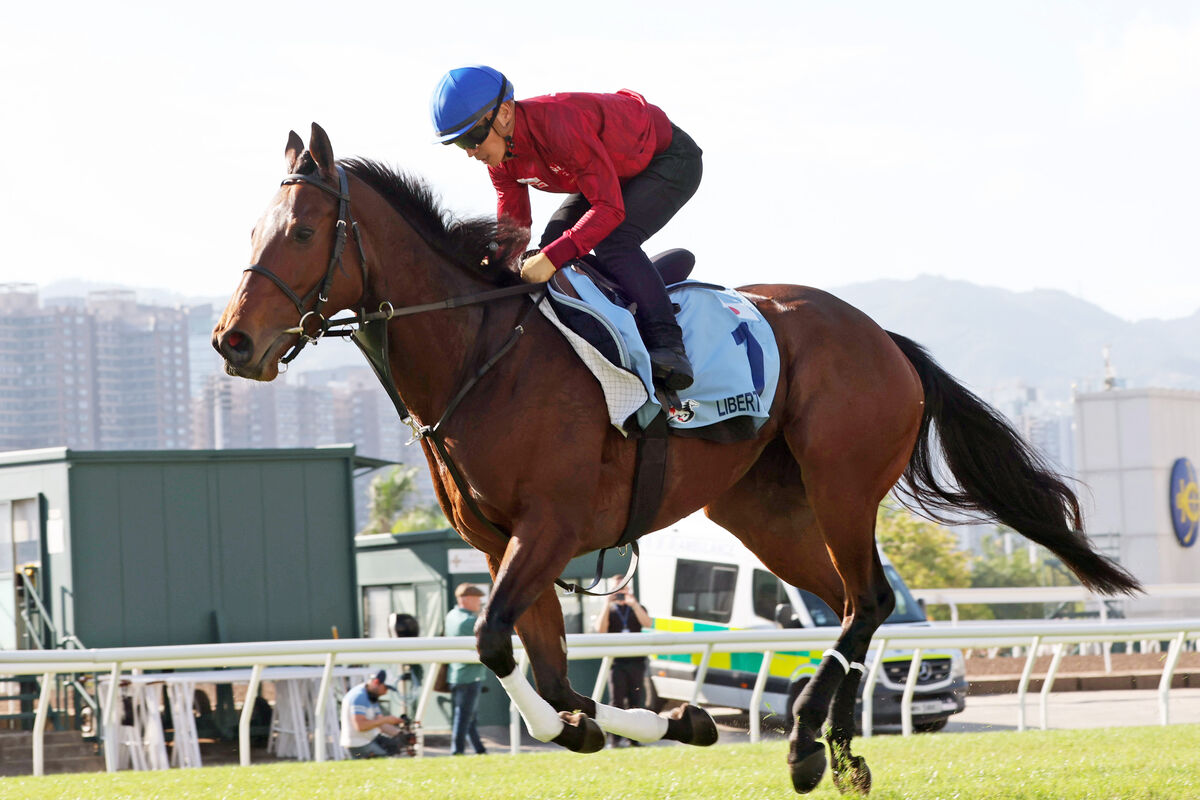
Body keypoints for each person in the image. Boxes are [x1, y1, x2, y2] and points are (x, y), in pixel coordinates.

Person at [430, 65, 703, 392]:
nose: (471, 152)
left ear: (504, 113)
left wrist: (552, 257)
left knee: (613, 241)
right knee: (548, 247)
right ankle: (619, 301)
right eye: (461, 144)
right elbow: (515, 229)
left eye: (473, 137)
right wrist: (491, 263)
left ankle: (669, 343)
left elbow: (610, 209)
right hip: (609, 168)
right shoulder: (501, 160)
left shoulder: (559, 125)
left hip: (669, 160)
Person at [594, 577, 653, 747]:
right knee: (616, 702)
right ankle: (614, 739)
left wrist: (633, 604)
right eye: (617, 589)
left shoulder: (637, 608)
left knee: (635, 700)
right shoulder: (610, 611)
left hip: (636, 662)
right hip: (616, 663)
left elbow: (647, 623)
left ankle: (634, 738)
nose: (620, 593)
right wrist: (607, 604)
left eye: (623, 589)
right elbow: (600, 630)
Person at [444, 583, 488, 755]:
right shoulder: (469, 621)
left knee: (467, 717)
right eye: (477, 599)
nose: (479, 603)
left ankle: (480, 750)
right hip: (469, 676)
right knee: (464, 718)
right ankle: (457, 751)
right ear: (467, 599)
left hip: (456, 674)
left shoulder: (451, 615)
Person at [339, 670, 405, 758]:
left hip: (369, 739)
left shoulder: (371, 696)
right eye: (385, 688)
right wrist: (386, 719)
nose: (385, 692)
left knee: (395, 749)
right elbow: (360, 726)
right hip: (357, 745)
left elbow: (381, 724)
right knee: (385, 762)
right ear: (376, 682)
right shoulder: (359, 696)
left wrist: (400, 734)